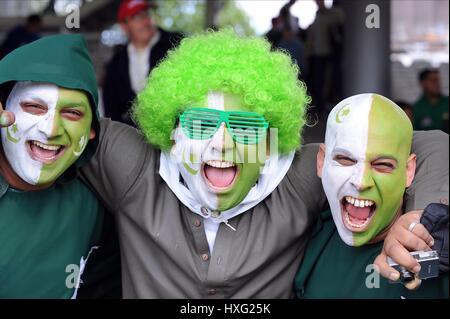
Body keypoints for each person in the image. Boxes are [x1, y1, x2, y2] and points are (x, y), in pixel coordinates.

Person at [72, 30, 447, 298]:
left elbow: (425, 143)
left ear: (271, 143)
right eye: (201, 125)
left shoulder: (298, 177)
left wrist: (419, 219)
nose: (222, 144)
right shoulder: (136, 166)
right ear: (172, 132)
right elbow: (67, 122)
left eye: (246, 128)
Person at [0, 35, 120, 298]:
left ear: (91, 130)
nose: (51, 130)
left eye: (72, 113)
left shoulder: (98, 208)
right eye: (33, 106)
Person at [295, 94, 448, 298]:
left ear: (408, 171)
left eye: (382, 165)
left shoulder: (437, 245)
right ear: (321, 162)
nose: (360, 182)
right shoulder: (307, 234)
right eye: (345, 160)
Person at [102, 0, 183, 126]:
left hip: (173, 131)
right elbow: (111, 108)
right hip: (130, 136)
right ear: (124, 26)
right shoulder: (116, 63)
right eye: (136, 17)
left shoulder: (176, 44)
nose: (145, 21)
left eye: (146, 14)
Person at [412, 69, 449, 133]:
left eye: (438, 80)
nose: (437, 84)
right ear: (423, 83)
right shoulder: (416, 108)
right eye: (433, 81)